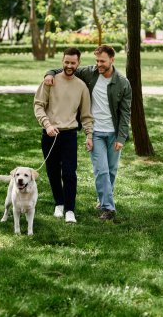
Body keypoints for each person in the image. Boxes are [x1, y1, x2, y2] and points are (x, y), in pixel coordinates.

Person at [44, 45, 132, 220]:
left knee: (112, 170)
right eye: (97, 60)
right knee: (102, 170)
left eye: (102, 61)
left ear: (112, 60)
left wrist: (121, 137)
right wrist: (49, 73)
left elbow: (125, 113)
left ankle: (103, 200)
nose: (99, 64)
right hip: (96, 132)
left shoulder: (122, 83)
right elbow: (66, 68)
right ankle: (108, 208)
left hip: (114, 133)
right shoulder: (89, 73)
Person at [34, 47, 93, 223]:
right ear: (62, 61)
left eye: (73, 63)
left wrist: (89, 135)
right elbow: (38, 105)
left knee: (69, 173)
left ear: (78, 63)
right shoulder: (50, 81)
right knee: (52, 172)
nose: (69, 65)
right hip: (50, 133)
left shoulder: (81, 86)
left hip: (69, 135)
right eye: (66, 62)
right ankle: (59, 204)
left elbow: (86, 115)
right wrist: (47, 124)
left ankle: (70, 210)